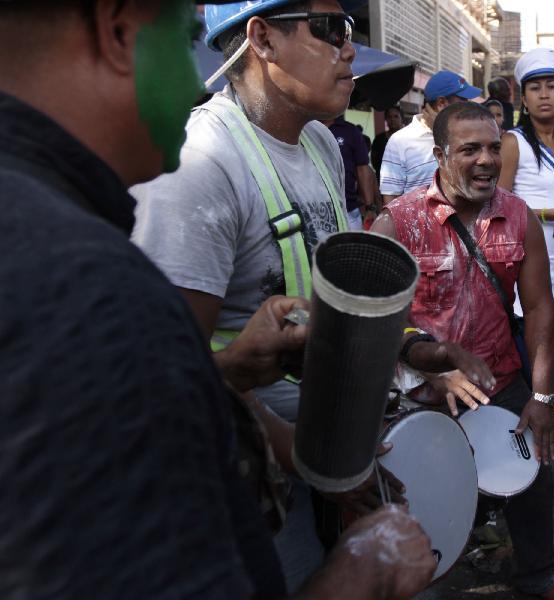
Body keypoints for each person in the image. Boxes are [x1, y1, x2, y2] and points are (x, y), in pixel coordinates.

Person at [0, 0, 436, 598]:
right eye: (184, 39)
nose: (195, 79)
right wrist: (358, 576)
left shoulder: (322, 146)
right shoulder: (94, 275)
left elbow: (171, 378)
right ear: (117, 27)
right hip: (256, 488)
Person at [130, 0, 381, 590]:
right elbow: (165, 387)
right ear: (262, 39)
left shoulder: (320, 142)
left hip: (326, 450)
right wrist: (304, 455)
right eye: (331, 29)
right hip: (246, 474)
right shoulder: (199, 166)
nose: (349, 48)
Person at [372, 101, 554, 600]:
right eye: (470, 149)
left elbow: (540, 311)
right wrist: (427, 361)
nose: (487, 159)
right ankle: (424, 575)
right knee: (421, 493)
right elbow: (376, 322)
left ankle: (537, 575)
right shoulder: (396, 223)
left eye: (492, 147)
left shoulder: (518, 215)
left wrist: (542, 397)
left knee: (536, 472)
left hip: (499, 382)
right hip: (420, 392)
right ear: (441, 156)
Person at [499, 47, 554, 348]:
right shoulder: (513, 142)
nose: (544, 94)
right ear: (523, 99)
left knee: (553, 350)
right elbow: (497, 205)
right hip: (525, 263)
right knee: (527, 351)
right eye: (535, 88)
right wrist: (553, 214)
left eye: (552, 87)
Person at [380, 70, 481, 203]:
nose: (467, 107)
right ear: (441, 103)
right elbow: (391, 197)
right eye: (462, 101)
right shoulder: (400, 141)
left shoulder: (466, 135)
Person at [323, 113, 377, 229]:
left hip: (348, 210)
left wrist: (369, 207)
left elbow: (363, 170)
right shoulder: (306, 129)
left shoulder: (351, 131)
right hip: (315, 210)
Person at [371, 105, 403, 179]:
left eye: (396, 116)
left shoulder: (409, 137)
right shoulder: (379, 139)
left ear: (401, 118)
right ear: (386, 119)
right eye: (389, 117)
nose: (392, 119)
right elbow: (374, 161)